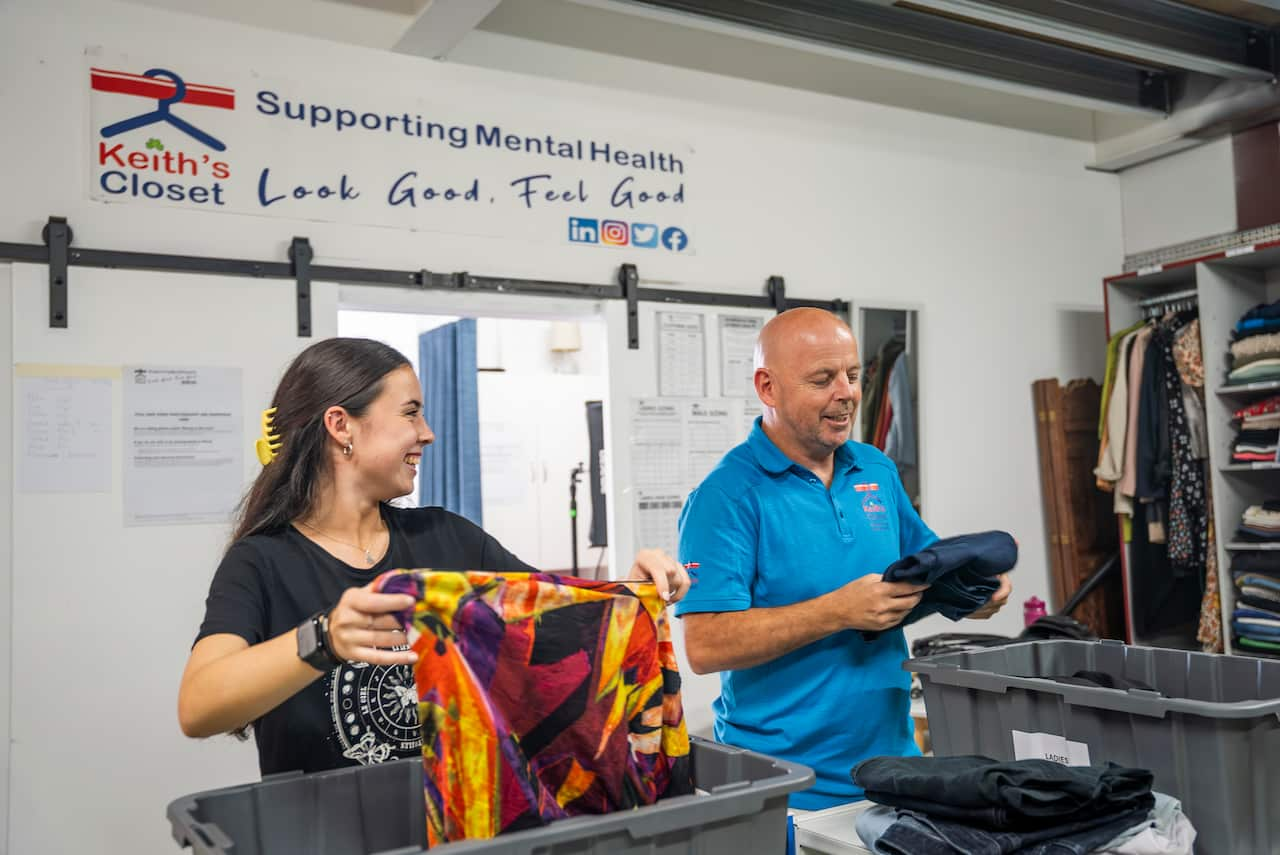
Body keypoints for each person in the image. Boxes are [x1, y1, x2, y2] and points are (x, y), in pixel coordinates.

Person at [178, 337, 690, 776]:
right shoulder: (262, 562)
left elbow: (570, 621)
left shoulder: (449, 539)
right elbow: (198, 708)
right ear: (341, 425)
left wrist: (636, 590)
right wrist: (325, 639)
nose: (427, 433)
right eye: (410, 413)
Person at [675, 308, 1012, 810]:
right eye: (822, 379)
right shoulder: (725, 496)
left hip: (893, 771)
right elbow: (705, 645)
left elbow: (925, 569)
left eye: (852, 375)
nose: (848, 392)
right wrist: (837, 611)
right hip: (783, 787)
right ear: (768, 388)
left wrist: (973, 591)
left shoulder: (875, 467)